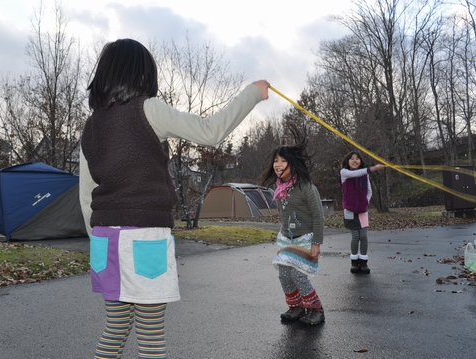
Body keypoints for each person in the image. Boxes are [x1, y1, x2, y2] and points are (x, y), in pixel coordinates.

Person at [79, 38, 269, 359]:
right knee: (151, 334)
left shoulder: (91, 126)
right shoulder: (148, 109)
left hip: (103, 240)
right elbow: (210, 132)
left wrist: (100, 238)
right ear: (141, 76)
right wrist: (253, 92)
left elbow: (86, 196)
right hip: (144, 237)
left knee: (116, 326)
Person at [260, 125, 325, 326]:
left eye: (283, 160)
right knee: (284, 274)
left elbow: (318, 216)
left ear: (293, 163)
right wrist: (282, 235)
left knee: (298, 273)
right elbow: (283, 214)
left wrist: (316, 243)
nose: (278, 165)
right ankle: (296, 307)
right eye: (276, 161)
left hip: (305, 238)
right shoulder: (279, 189)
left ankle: (315, 309)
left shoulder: (306, 187)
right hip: (286, 238)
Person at [340, 151, 385, 274]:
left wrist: (366, 202)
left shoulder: (365, 175)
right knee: (355, 236)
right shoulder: (344, 172)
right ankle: (354, 262)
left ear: (361, 161)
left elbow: (369, 191)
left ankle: (363, 262)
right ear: (347, 161)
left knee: (364, 237)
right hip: (349, 211)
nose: (355, 161)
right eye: (352, 159)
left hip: (363, 211)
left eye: (357, 159)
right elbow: (355, 173)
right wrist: (373, 168)